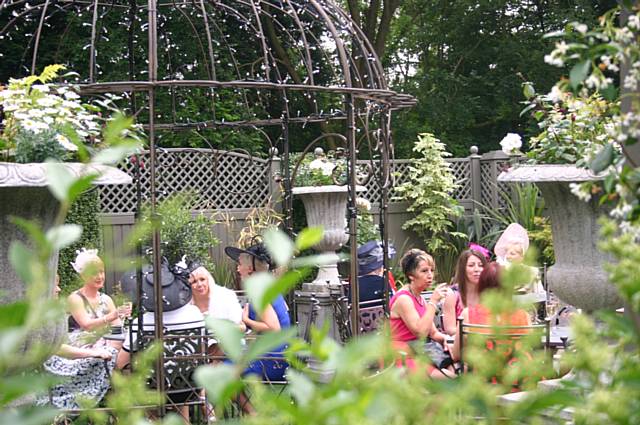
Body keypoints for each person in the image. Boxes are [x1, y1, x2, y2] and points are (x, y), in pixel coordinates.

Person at [37, 275, 118, 411]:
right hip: (52, 369)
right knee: (108, 354)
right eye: (54, 285)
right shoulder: (73, 300)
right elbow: (57, 348)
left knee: (112, 350)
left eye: (102, 272)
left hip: (70, 352)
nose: (58, 289)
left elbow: (117, 325)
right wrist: (93, 353)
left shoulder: (106, 299)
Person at [450, 262, 533, 386]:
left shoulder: (468, 315)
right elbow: (530, 348)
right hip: (520, 383)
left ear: (481, 287)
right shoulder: (523, 315)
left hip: (484, 383)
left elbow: (457, 355)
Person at [224, 243, 291, 383]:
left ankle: (208, 404)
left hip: (272, 361)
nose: (237, 268)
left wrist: (246, 320)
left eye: (239, 264)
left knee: (222, 368)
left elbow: (274, 328)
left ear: (250, 269)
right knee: (224, 364)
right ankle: (245, 406)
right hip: (282, 357)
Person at [389, 249, 453, 378]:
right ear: (411, 275)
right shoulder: (404, 299)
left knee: (456, 368)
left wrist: (448, 339)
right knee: (451, 380)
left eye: (431, 270)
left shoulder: (420, 297)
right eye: (424, 271)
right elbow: (421, 333)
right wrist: (434, 301)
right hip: (404, 356)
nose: (430, 275)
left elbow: (433, 333)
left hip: (420, 351)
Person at [67, 249, 130, 348]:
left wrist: (122, 315)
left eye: (102, 272)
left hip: (105, 344)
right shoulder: (75, 299)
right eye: (94, 273)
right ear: (83, 275)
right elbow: (87, 326)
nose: (100, 277)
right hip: (81, 348)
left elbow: (117, 328)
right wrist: (111, 316)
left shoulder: (106, 299)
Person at [441, 248, 488, 335]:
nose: (477, 269)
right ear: (463, 269)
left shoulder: (488, 292)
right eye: (471, 265)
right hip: (460, 343)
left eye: (481, 265)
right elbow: (450, 329)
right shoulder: (452, 294)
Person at [348, 240, 397, 306]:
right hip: (381, 315)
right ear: (379, 267)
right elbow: (392, 303)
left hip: (357, 315)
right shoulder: (382, 282)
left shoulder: (354, 283)